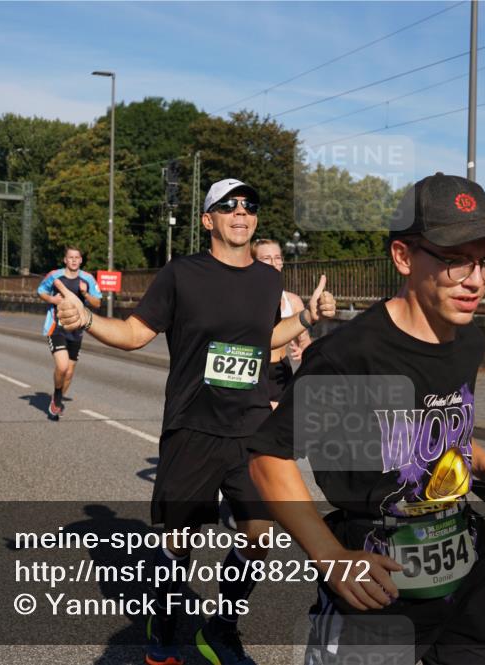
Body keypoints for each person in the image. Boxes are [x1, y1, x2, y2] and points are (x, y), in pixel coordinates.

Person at [248, 173, 485, 664]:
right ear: (404, 257)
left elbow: (445, 430)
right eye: (456, 261)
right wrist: (331, 559)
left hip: (467, 579)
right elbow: (268, 457)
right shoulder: (351, 355)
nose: (475, 280)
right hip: (377, 587)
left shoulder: (467, 339)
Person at [54, 178, 335, 665]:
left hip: (250, 426)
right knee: (179, 542)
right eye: (229, 206)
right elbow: (134, 333)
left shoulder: (267, 280)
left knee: (259, 535)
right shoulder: (181, 274)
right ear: (208, 220)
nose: (241, 213)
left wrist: (306, 318)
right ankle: (163, 625)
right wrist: (87, 321)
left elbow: (263, 339)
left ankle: (220, 628)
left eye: (249, 205)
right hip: (192, 425)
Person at [37, 246, 101, 419]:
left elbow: (97, 303)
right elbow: (41, 291)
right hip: (56, 327)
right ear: (65, 260)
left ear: (81, 260)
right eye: (70, 257)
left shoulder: (87, 278)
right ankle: (58, 398)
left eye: (76, 257)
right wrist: (52, 299)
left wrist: (85, 293)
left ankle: (56, 400)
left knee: (70, 372)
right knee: (62, 366)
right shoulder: (54, 276)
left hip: (76, 330)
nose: (73, 260)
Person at [251, 239, 312, 408]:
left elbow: (305, 341)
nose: (273, 263)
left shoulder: (293, 301)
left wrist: (304, 351)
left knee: (280, 420)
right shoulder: (245, 299)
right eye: (266, 258)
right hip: (254, 370)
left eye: (277, 258)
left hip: (280, 371)